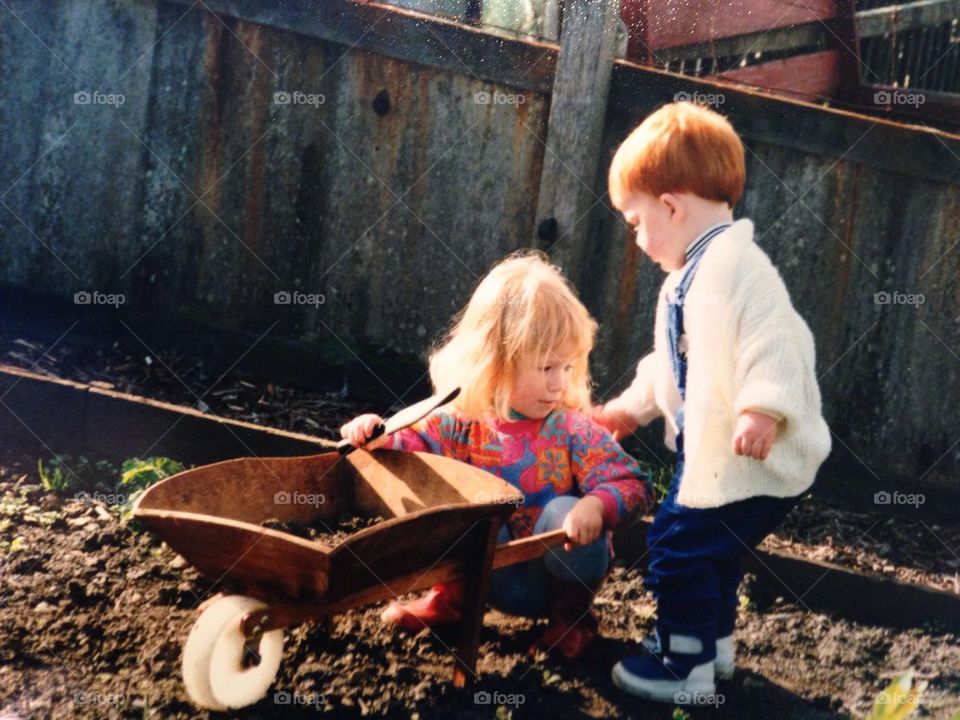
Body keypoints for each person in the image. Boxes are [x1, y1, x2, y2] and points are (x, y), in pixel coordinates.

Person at [593, 101, 831, 703]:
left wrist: (763, 409)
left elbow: (777, 339)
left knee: (676, 542)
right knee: (713, 551)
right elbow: (673, 367)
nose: (638, 238)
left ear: (671, 206)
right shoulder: (689, 277)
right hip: (724, 460)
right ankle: (715, 645)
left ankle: (685, 665)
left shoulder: (735, 268)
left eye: (636, 222)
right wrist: (628, 409)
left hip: (750, 453)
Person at [341, 252, 652, 660]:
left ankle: (572, 623)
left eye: (568, 367)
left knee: (563, 509)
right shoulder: (461, 422)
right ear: (497, 361)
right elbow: (412, 454)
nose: (560, 384)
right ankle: (451, 603)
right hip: (482, 575)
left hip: (549, 576)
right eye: (546, 368)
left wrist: (596, 506)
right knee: (456, 503)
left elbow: (633, 484)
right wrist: (375, 434)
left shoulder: (571, 429)